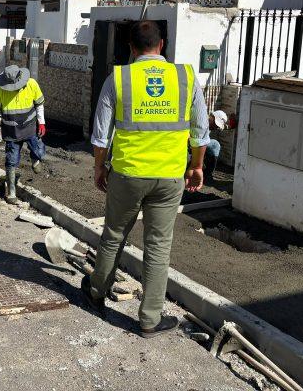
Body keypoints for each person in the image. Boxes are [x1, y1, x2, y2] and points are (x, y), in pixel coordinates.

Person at [83, 20, 210, 337]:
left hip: (128, 174)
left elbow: (101, 136)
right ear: (162, 45)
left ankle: (97, 292)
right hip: (169, 176)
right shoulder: (185, 77)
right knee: (158, 247)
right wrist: (197, 166)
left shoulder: (120, 77)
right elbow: (200, 131)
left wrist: (100, 168)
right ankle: (150, 320)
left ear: (130, 47)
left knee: (113, 235)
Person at [0, 65, 46, 204]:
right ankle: (11, 192)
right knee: (11, 160)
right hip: (11, 132)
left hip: (30, 128)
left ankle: (35, 160)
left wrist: (42, 122)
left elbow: (39, 105)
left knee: (38, 149)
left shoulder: (32, 84)